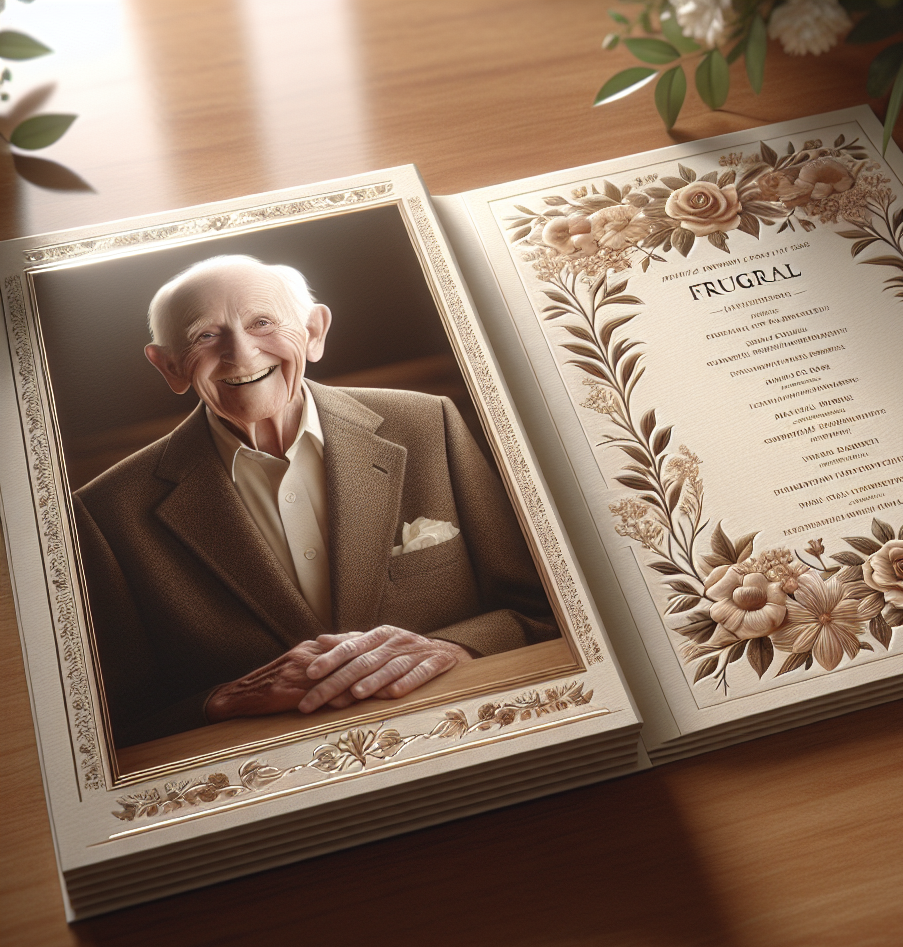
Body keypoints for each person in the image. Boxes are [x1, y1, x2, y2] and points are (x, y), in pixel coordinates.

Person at [73, 255, 557, 747]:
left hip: (471, 739)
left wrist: (450, 649)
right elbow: (111, 728)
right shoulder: (106, 513)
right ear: (170, 366)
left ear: (314, 331)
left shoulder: (430, 424)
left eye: (262, 322)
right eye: (204, 335)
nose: (241, 353)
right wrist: (220, 700)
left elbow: (547, 610)